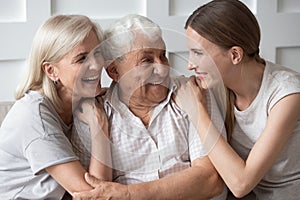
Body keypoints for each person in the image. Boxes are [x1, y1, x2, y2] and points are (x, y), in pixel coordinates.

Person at [73, 14, 227, 200]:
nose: (162, 69)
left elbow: (211, 180)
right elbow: (94, 191)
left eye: (163, 56)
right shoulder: (92, 114)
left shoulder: (193, 94)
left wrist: (128, 194)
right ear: (114, 71)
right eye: (146, 61)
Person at [176, 0, 300, 199]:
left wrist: (197, 112)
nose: (190, 64)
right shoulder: (214, 84)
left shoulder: (287, 94)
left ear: (235, 55)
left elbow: (241, 184)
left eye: (198, 53)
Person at [0, 14, 111, 199]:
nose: (96, 65)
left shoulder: (81, 100)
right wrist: (100, 127)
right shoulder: (34, 117)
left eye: (98, 53)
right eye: (82, 58)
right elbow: (95, 196)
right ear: (51, 71)